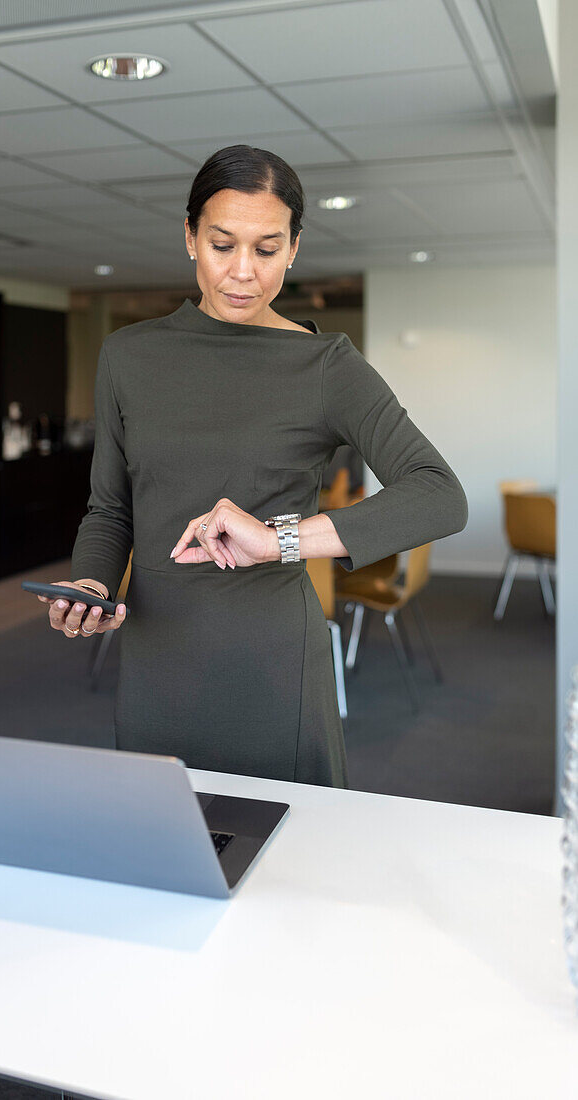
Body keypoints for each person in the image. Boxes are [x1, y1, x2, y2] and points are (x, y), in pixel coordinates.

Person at [39, 144, 468, 787]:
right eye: (222, 245)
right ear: (189, 238)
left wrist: (281, 540)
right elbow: (111, 508)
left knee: (287, 860)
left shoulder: (326, 366)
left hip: (270, 657)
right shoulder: (128, 356)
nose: (243, 272)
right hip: (159, 652)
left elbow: (439, 494)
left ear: (293, 249)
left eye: (267, 250)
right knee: (165, 851)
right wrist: (93, 586)